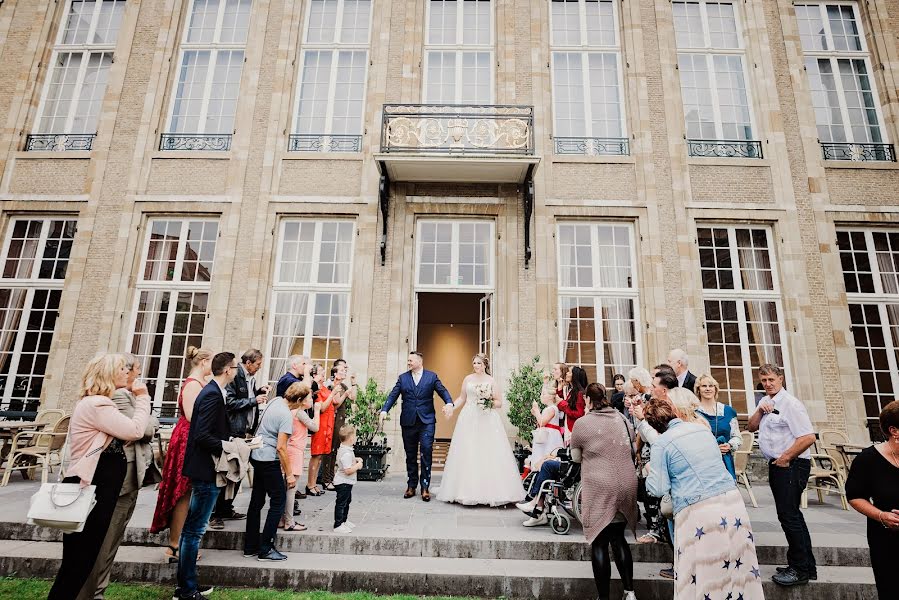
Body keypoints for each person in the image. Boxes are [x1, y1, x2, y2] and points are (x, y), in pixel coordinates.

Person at [48, 354, 151, 600]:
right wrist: (143, 397)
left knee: (81, 559)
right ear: (108, 373)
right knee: (79, 561)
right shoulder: (98, 405)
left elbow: (118, 436)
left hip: (100, 486)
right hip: (93, 486)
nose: (127, 373)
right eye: (121, 369)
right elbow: (137, 430)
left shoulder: (97, 403)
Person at [644, 399, 764, 600]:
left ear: (654, 425)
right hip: (731, 501)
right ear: (674, 411)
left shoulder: (662, 444)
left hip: (698, 510)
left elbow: (657, 488)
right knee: (739, 564)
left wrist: (648, 470)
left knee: (704, 572)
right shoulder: (702, 430)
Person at [80, 353, 160, 600]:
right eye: (130, 370)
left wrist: (145, 413)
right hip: (113, 481)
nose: (134, 375)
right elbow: (142, 429)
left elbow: (148, 424)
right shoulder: (114, 398)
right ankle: (93, 593)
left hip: (126, 476)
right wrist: (144, 401)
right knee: (103, 542)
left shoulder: (121, 398)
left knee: (112, 539)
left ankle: (97, 591)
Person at [174, 352, 238, 600]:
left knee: (194, 528)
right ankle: (186, 590)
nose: (236, 371)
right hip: (205, 468)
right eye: (235, 367)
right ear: (227, 370)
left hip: (205, 467)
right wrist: (228, 446)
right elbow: (201, 435)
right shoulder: (211, 393)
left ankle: (186, 585)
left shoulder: (214, 391)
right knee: (194, 530)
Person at [747, 363, 816, 587]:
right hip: (779, 465)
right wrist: (760, 409)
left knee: (789, 516)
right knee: (792, 515)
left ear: (781, 379)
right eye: (763, 380)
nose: (767, 384)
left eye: (771, 380)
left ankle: (799, 570)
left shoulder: (791, 405)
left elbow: (808, 437)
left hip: (791, 465)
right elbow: (750, 427)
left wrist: (785, 458)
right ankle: (807, 565)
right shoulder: (765, 401)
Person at [569, 383, 638, 600]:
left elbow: (576, 458)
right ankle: (629, 593)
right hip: (626, 483)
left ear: (588, 400)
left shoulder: (582, 423)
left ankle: (604, 598)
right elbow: (633, 449)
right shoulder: (622, 419)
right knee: (618, 538)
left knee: (599, 542)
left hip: (600, 486)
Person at [437, 354, 525, 506]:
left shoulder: (491, 381)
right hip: (469, 418)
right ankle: (465, 491)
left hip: (487, 419)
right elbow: (462, 398)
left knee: (487, 452)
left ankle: (492, 491)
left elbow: (499, 402)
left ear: (485, 365)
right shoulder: (468, 379)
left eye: (478, 363)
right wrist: (451, 406)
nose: (476, 365)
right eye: (474, 363)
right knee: (469, 452)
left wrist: (488, 402)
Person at [151, 346, 213, 560]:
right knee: (182, 493)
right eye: (211, 361)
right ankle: (175, 545)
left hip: (194, 438)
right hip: (188, 440)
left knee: (189, 492)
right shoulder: (192, 385)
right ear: (203, 362)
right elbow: (191, 415)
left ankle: (178, 543)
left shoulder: (201, 383)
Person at [379, 351, 454, 501]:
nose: (408, 362)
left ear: (420, 361)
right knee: (410, 454)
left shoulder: (431, 377)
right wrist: (384, 410)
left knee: (426, 451)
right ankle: (411, 485)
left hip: (427, 421)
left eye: (411, 360)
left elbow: (442, 391)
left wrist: (449, 402)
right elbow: (393, 395)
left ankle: (425, 487)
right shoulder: (403, 378)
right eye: (408, 360)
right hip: (408, 421)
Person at [845, 400, 899, 599]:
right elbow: (854, 496)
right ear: (894, 430)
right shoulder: (868, 460)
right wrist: (881, 516)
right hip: (886, 538)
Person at [243, 379, 302, 561]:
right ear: (298, 400)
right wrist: (290, 474)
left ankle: (250, 546)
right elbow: (281, 448)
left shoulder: (276, 401)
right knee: (278, 500)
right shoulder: (286, 416)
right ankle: (266, 548)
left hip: (257, 455)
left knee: (257, 501)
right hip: (269, 459)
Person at [212, 349, 269, 529]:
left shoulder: (249, 378)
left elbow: (246, 397)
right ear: (248, 362)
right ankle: (216, 514)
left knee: (239, 471)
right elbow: (230, 402)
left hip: (245, 432)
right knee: (228, 472)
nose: (259, 368)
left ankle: (227, 508)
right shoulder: (237, 377)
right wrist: (255, 400)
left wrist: (257, 392)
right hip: (234, 431)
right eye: (258, 364)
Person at [282, 382, 320, 531]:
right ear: (302, 400)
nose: (312, 401)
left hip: (289, 449)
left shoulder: (290, 410)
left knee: (285, 487)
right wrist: (317, 411)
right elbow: (315, 428)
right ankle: (289, 521)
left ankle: (282, 518)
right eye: (310, 398)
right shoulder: (299, 412)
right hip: (295, 451)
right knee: (291, 488)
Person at [694, 374, 741, 480]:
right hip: (702, 462)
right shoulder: (693, 412)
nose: (707, 389)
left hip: (724, 461)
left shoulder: (728, 411)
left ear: (715, 389)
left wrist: (729, 445)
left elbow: (737, 436)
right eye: (704, 386)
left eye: (711, 386)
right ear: (698, 390)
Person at [320, 360, 357, 491]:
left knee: (335, 449)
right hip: (333, 418)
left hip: (340, 418)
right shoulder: (331, 386)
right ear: (335, 373)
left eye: (345, 370)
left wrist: (353, 383)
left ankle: (331, 477)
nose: (345, 371)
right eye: (342, 370)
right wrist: (344, 395)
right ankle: (326, 479)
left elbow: (353, 397)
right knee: (329, 450)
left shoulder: (343, 386)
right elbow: (335, 404)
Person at [308, 363, 343, 496]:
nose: (324, 373)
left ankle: (314, 484)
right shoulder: (316, 388)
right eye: (321, 372)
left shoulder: (324, 387)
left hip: (328, 424)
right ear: (315, 375)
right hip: (320, 424)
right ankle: (310, 484)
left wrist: (335, 390)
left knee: (320, 456)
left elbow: (335, 402)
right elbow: (322, 407)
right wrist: (332, 393)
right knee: (316, 456)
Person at [527, 373, 565, 472]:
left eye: (543, 394)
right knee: (541, 455)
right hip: (545, 435)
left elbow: (542, 422)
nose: (541, 396)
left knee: (546, 454)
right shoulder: (548, 408)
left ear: (549, 397)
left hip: (550, 437)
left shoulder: (552, 408)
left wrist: (536, 411)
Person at [333, 424, 364, 533]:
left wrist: (355, 459)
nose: (355, 438)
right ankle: (338, 524)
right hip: (343, 482)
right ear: (351, 438)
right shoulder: (346, 452)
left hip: (346, 482)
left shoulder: (345, 449)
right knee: (341, 503)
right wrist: (358, 465)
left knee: (347, 501)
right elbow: (348, 470)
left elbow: (345, 460)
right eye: (355, 436)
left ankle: (344, 521)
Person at [558, 365, 587, 434]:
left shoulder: (579, 393)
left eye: (569, 372)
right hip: (568, 427)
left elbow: (579, 413)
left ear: (574, 376)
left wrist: (562, 404)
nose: (566, 373)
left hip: (574, 430)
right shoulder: (571, 390)